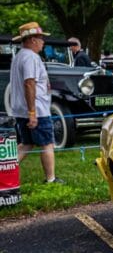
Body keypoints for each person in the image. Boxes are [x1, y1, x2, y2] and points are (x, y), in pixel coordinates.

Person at [10, 22, 62, 184]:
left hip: (21, 110)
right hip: (36, 110)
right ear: (32, 40)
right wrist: (32, 112)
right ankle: (51, 180)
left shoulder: (19, 56)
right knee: (47, 143)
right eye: (40, 38)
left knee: (26, 144)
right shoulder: (31, 57)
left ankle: (4, 169)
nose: (43, 42)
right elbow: (29, 83)